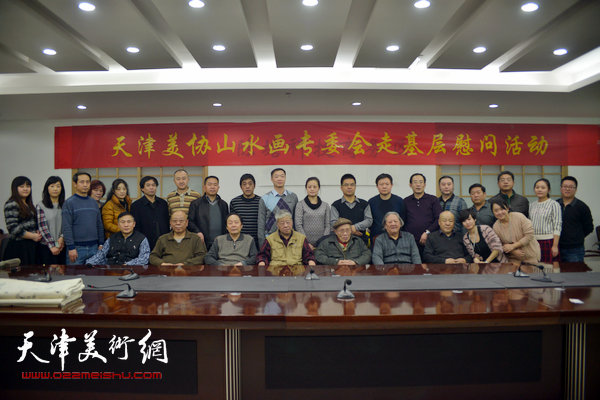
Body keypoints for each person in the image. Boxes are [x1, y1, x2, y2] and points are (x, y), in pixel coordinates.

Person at [62, 172, 104, 264]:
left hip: (94, 247)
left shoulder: (94, 203)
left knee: (95, 273)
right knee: (74, 273)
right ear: (75, 184)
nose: (85, 185)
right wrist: (71, 247)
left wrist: (101, 243)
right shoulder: (69, 203)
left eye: (87, 182)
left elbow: (99, 224)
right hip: (76, 249)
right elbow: (66, 227)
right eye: (82, 182)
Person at [491, 198, 540, 265]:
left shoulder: (519, 217)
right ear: (493, 212)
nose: (499, 212)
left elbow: (529, 235)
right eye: (496, 211)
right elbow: (499, 244)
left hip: (531, 256)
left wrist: (513, 246)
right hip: (512, 260)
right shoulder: (496, 227)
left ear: (507, 208)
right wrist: (512, 251)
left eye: (502, 209)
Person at [3, 176, 41, 264]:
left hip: (31, 246)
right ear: (15, 188)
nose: (25, 189)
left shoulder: (29, 204)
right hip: (18, 247)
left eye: (28, 186)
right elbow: (13, 228)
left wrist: (37, 232)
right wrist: (33, 236)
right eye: (22, 186)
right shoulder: (12, 203)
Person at [257, 168, 298, 245]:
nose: (279, 179)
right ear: (271, 179)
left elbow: (296, 220)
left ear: (285, 178)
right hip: (270, 239)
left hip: (290, 239)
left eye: (282, 176)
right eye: (276, 176)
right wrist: (262, 243)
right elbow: (261, 223)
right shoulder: (265, 198)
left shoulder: (293, 197)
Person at [557, 176, 594, 262]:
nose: (567, 189)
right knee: (556, 271)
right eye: (565, 186)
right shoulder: (555, 204)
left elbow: (589, 227)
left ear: (576, 189)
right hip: (556, 247)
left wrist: (576, 237)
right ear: (561, 188)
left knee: (575, 271)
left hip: (575, 249)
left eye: (571, 187)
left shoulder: (582, 207)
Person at [403, 173, 441, 253]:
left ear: (424, 184)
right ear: (410, 185)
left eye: (421, 182)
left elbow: (438, 219)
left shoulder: (433, 199)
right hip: (410, 241)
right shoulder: (405, 201)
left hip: (430, 239)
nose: (418, 185)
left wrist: (427, 232)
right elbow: (403, 220)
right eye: (415, 182)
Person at [330, 173, 373, 244]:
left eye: (352, 185)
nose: (349, 187)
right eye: (346, 185)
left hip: (361, 241)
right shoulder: (335, 205)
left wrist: (355, 227)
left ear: (355, 187)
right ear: (341, 188)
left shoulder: (364, 204)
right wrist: (350, 230)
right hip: (341, 243)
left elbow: (369, 220)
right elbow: (334, 223)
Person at [188, 176, 229, 249]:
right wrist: (197, 232)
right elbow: (190, 221)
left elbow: (227, 223)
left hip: (221, 243)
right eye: (209, 184)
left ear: (218, 187)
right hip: (202, 243)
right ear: (204, 187)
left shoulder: (224, 204)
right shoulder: (196, 204)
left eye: (215, 185)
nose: (212, 187)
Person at [130, 176, 170, 250]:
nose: (151, 187)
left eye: (153, 185)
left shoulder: (163, 203)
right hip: (145, 242)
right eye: (148, 185)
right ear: (142, 188)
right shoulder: (136, 206)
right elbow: (136, 227)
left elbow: (167, 222)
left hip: (163, 241)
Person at [529, 178, 562, 263]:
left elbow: (557, 226)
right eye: (537, 187)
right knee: (535, 267)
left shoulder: (554, 204)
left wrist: (555, 246)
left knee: (549, 268)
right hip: (533, 242)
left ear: (548, 190)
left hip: (548, 242)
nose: (539, 190)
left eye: (543, 188)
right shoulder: (532, 205)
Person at [36, 176, 66, 264]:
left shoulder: (65, 205)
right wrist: (52, 246)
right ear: (47, 188)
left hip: (62, 245)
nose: (55, 189)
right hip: (46, 247)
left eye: (58, 186)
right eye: (52, 186)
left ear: (61, 189)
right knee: (48, 271)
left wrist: (62, 237)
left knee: (62, 271)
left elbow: (67, 224)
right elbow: (42, 227)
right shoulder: (41, 205)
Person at [368, 173, 406, 241]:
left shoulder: (399, 201)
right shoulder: (371, 202)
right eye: (381, 184)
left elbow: (403, 220)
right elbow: (369, 221)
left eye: (387, 184)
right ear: (377, 186)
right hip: (376, 238)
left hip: (396, 238)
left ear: (391, 185)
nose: (384, 186)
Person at [295, 177, 331, 248]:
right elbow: (298, 225)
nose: (312, 189)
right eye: (309, 187)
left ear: (318, 188)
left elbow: (328, 225)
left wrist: (322, 242)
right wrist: (306, 243)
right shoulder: (300, 205)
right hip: (304, 244)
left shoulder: (325, 206)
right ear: (306, 188)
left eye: (314, 187)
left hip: (322, 245)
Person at [229, 173, 261, 245]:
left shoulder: (261, 201)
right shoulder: (234, 202)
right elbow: (232, 222)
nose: (247, 186)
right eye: (244, 184)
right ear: (241, 187)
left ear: (254, 185)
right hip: (239, 241)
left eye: (250, 184)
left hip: (257, 241)